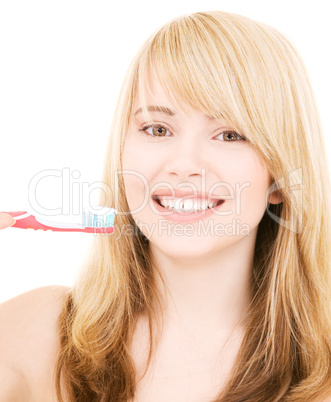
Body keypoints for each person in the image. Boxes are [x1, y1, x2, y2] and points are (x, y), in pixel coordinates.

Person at [0, 9, 331, 402]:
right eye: (157, 129)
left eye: (229, 134)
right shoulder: (33, 336)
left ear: (280, 177)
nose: (183, 164)